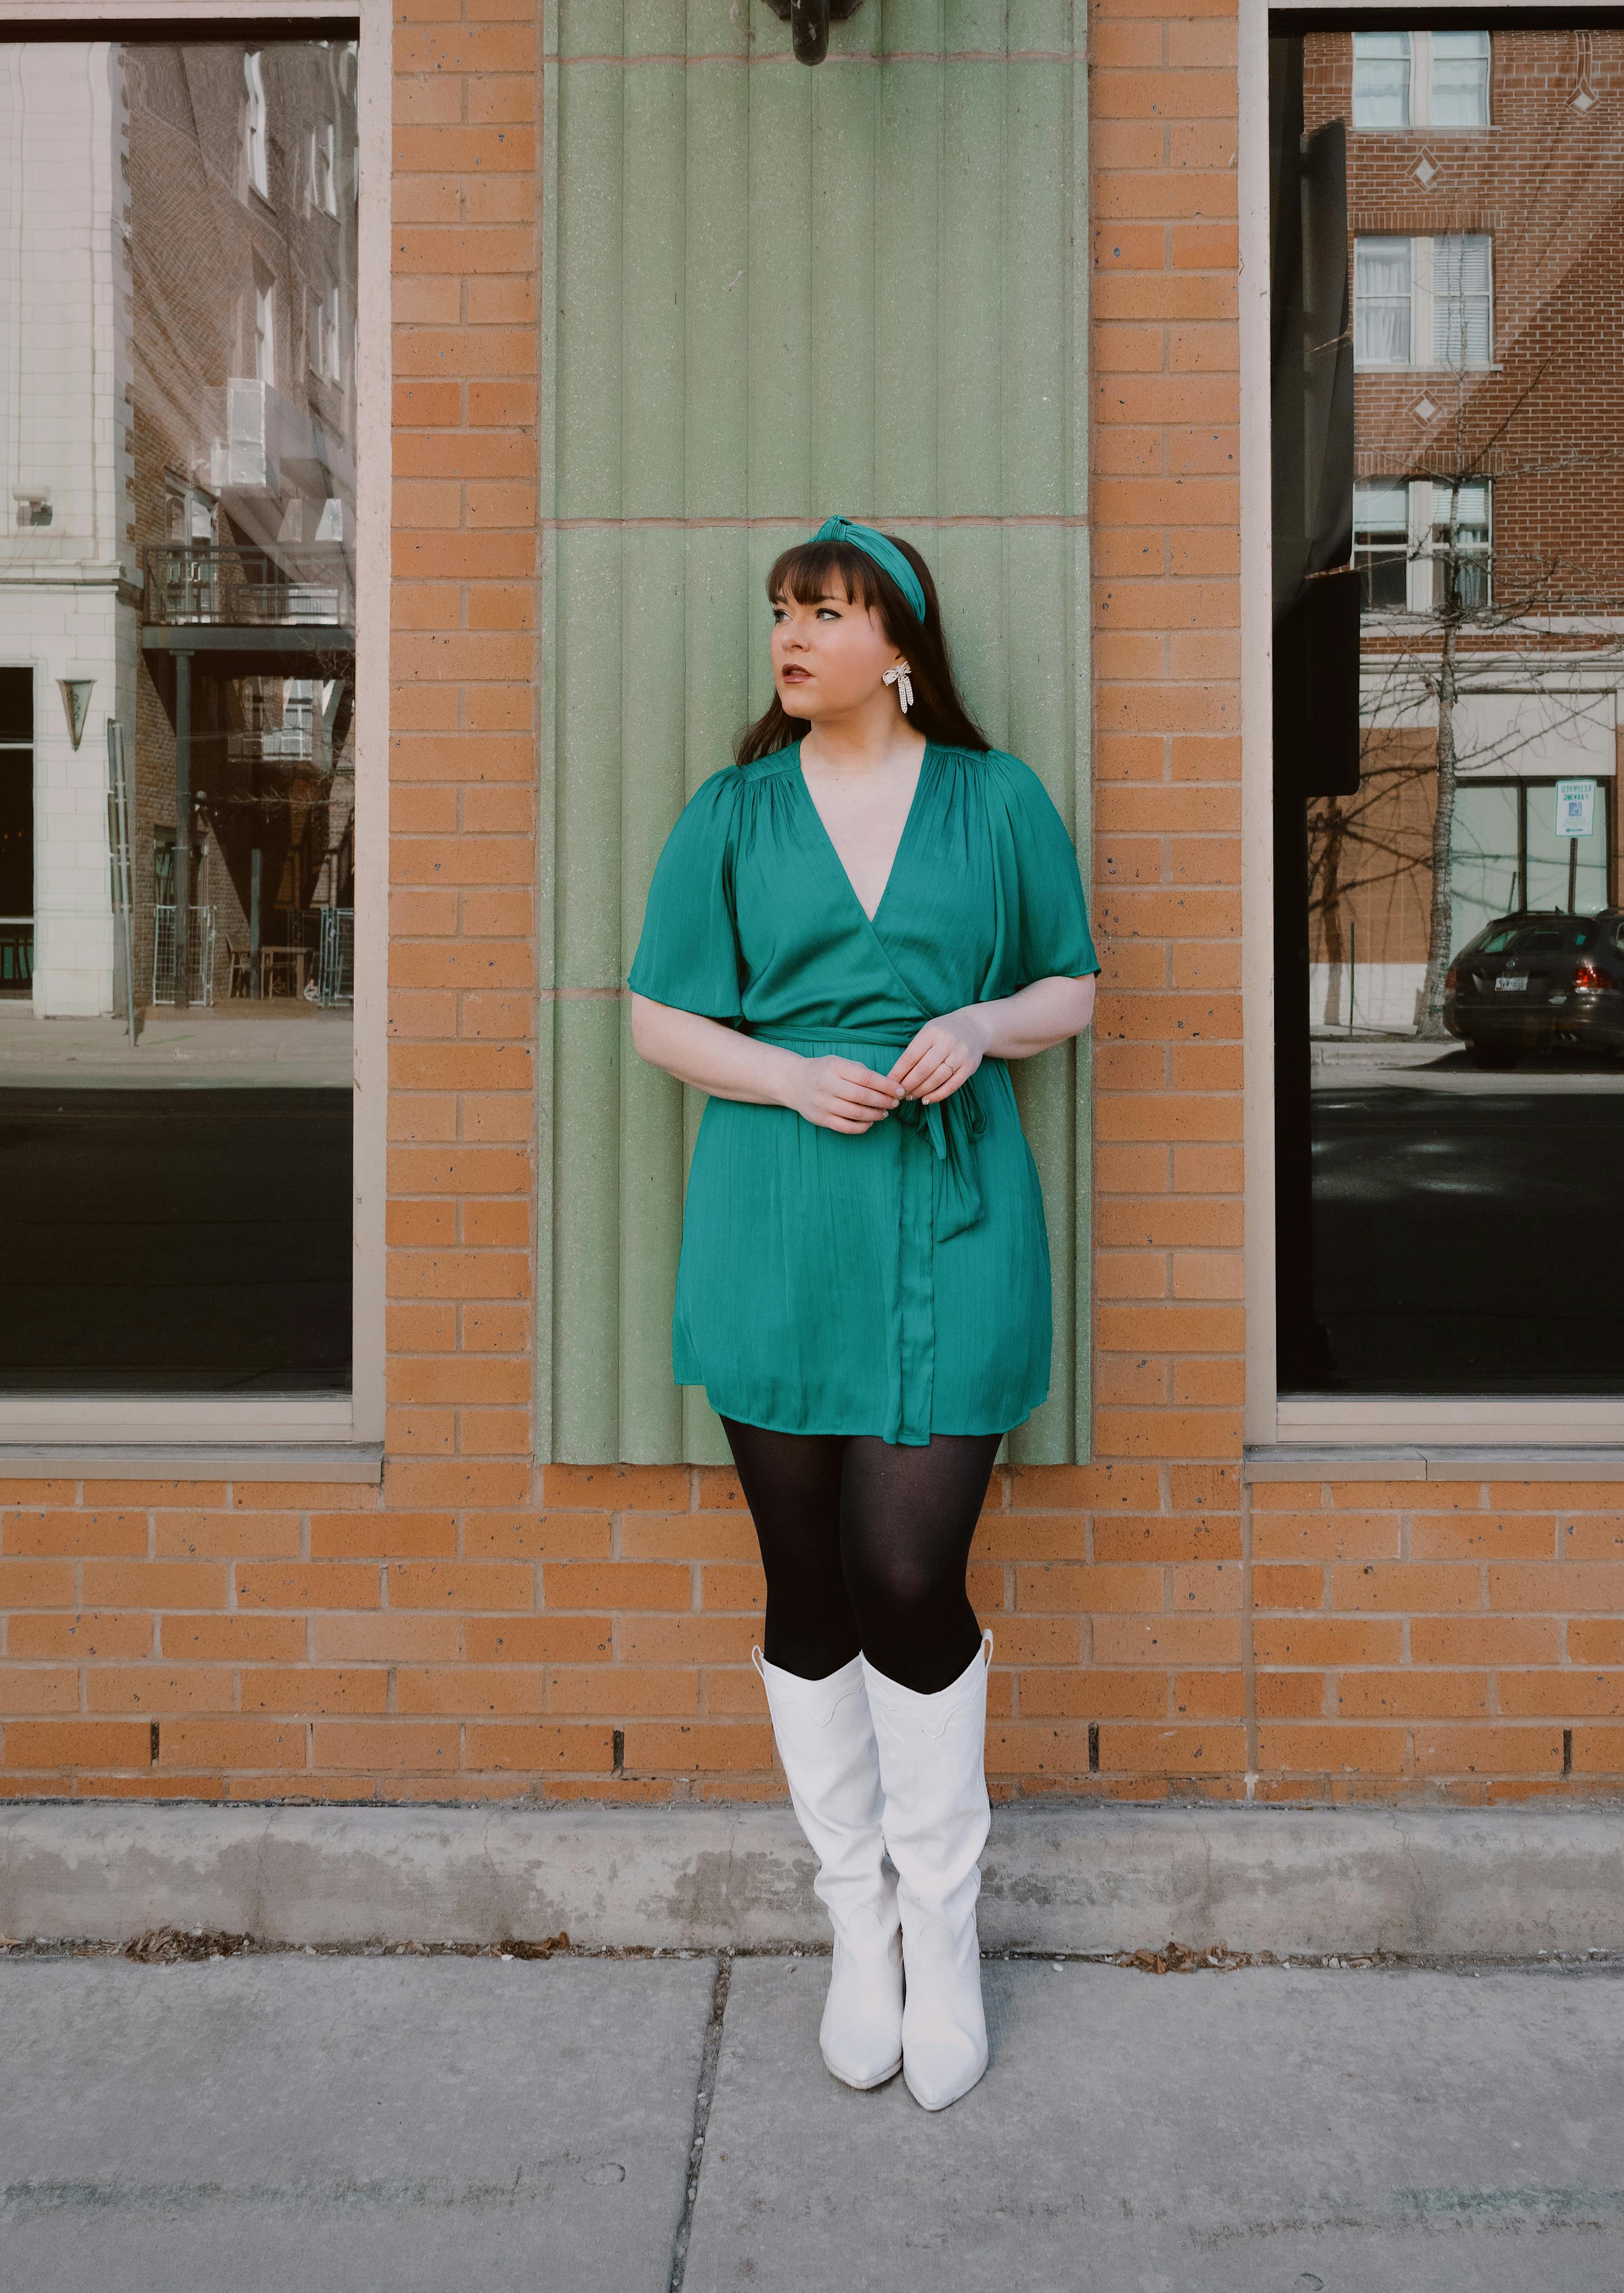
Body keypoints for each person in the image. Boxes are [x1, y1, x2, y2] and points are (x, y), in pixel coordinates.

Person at [628, 515, 1098, 2110]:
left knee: (908, 1574)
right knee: (805, 1585)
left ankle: (945, 1933)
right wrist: (778, 1070)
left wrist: (977, 1020)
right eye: (781, 612)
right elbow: (655, 1013)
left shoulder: (996, 798)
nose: (791, 635)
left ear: (898, 644)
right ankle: (855, 1930)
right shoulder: (734, 811)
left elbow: (1074, 985)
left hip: (953, 1215)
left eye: (822, 612)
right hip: (775, 1215)